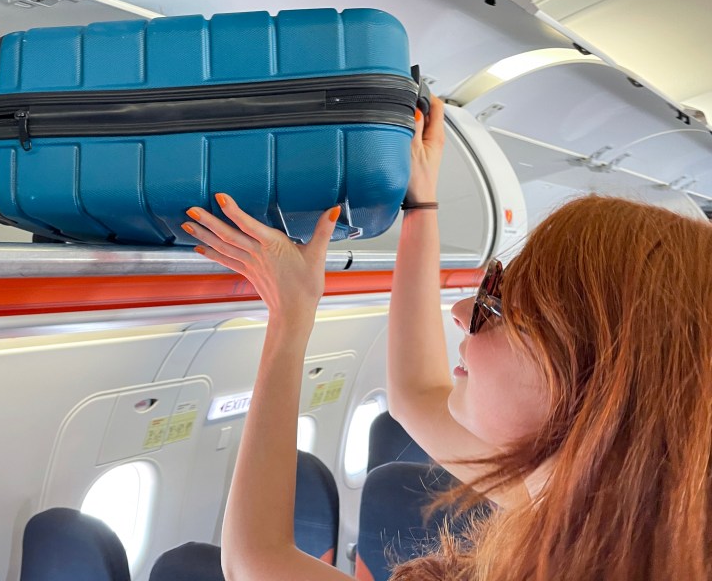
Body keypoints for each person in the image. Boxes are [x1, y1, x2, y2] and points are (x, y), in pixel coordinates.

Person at [181, 93, 712, 581]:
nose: (460, 310)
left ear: (588, 374)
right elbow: (416, 396)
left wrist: (290, 318)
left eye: (500, 308)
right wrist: (420, 204)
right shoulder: (583, 500)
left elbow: (260, 559)